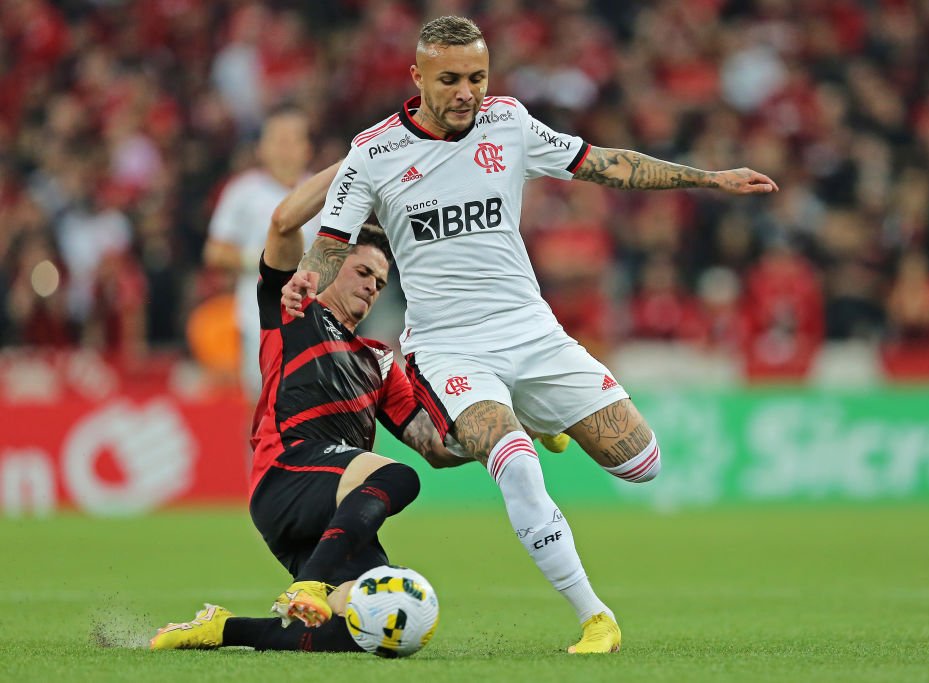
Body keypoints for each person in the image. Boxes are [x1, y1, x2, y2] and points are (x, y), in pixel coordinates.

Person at [283, 15, 779, 654]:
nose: (468, 91)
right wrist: (305, 279)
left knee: (642, 464)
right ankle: (595, 617)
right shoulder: (374, 152)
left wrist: (707, 179)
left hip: (533, 331)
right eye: (452, 79)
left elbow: (604, 164)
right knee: (515, 464)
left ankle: (544, 419)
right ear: (417, 77)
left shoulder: (508, 122)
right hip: (449, 345)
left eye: (478, 77)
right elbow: (331, 242)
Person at [151, 163, 469, 652]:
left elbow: (437, 445)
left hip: (335, 515)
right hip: (286, 476)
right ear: (331, 264)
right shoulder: (294, 309)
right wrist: (357, 160)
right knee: (397, 478)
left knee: (370, 631)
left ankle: (222, 628)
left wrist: (508, 433)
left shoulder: (380, 360)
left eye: (380, 282)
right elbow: (282, 224)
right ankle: (312, 582)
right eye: (362, 271)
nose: (371, 286)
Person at [203, 103, 318, 400]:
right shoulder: (243, 191)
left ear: (307, 147)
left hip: (315, 312)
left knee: (311, 404)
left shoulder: (323, 191)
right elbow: (214, 251)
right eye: (277, 140)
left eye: (292, 140)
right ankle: (254, 450)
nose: (285, 149)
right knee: (261, 400)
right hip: (259, 312)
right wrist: (268, 261)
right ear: (261, 148)